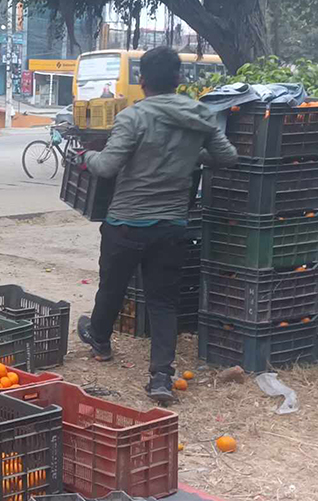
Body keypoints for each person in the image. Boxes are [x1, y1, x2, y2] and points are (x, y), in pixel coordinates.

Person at [76, 47, 237, 404]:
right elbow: (227, 156)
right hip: (171, 224)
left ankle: (100, 341)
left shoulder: (134, 117)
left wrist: (85, 155)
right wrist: (193, 155)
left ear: (143, 80)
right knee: (163, 302)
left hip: (126, 223)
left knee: (112, 287)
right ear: (179, 79)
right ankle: (161, 377)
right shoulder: (200, 115)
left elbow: (107, 166)